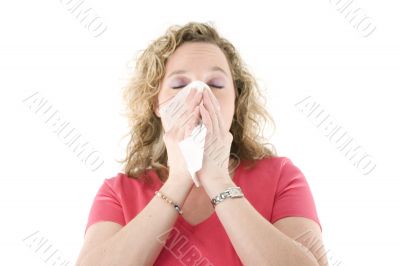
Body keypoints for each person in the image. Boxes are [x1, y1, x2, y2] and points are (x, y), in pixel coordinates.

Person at [76, 22, 328, 266]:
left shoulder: (281, 177)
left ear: (236, 100)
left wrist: (218, 179)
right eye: (179, 85)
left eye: (215, 84)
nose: (198, 95)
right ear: (156, 104)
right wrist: (178, 180)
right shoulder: (119, 192)